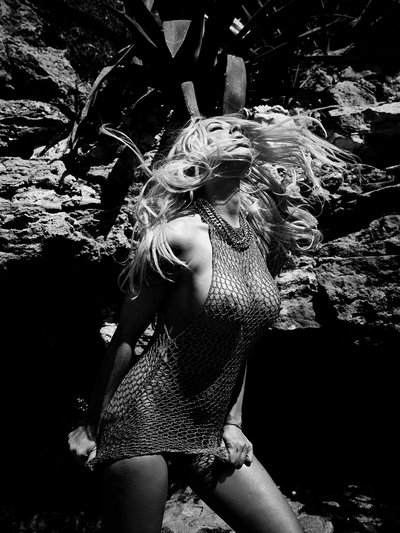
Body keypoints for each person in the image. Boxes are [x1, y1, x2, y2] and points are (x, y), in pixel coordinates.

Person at [68, 109, 345, 533]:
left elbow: (239, 340)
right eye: (218, 130)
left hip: (210, 428)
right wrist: (92, 423)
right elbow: (126, 336)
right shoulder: (176, 235)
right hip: (143, 417)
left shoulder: (259, 239)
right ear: (197, 158)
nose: (234, 132)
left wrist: (234, 422)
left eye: (236, 129)